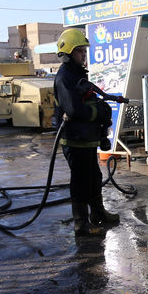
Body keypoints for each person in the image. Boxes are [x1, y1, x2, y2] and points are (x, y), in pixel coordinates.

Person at [53, 29, 120, 237]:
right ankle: (81, 225)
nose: (84, 54)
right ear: (69, 53)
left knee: (94, 177)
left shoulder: (77, 75)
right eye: (80, 51)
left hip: (87, 140)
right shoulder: (65, 78)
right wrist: (98, 111)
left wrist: (101, 108)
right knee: (80, 182)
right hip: (74, 140)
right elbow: (74, 110)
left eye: (84, 51)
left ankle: (98, 214)